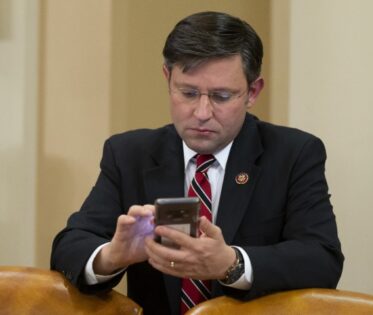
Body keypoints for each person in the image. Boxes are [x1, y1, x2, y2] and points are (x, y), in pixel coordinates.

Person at [51, 11, 344, 315]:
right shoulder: (129, 154)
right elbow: (69, 247)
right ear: (168, 79)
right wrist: (112, 255)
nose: (202, 112)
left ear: (252, 92)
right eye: (188, 93)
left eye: (221, 96)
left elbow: (322, 259)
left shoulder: (293, 154)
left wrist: (232, 264)